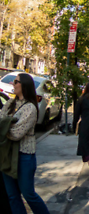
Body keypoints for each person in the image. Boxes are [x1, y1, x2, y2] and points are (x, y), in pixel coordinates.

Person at [0, 73, 51, 214]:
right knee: (12, 196)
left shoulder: (30, 108)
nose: (13, 84)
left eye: (16, 82)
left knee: (28, 194)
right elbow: (1, 119)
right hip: (8, 154)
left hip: (24, 156)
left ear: (24, 86)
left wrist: (4, 127)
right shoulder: (12, 103)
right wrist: (6, 124)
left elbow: (17, 133)